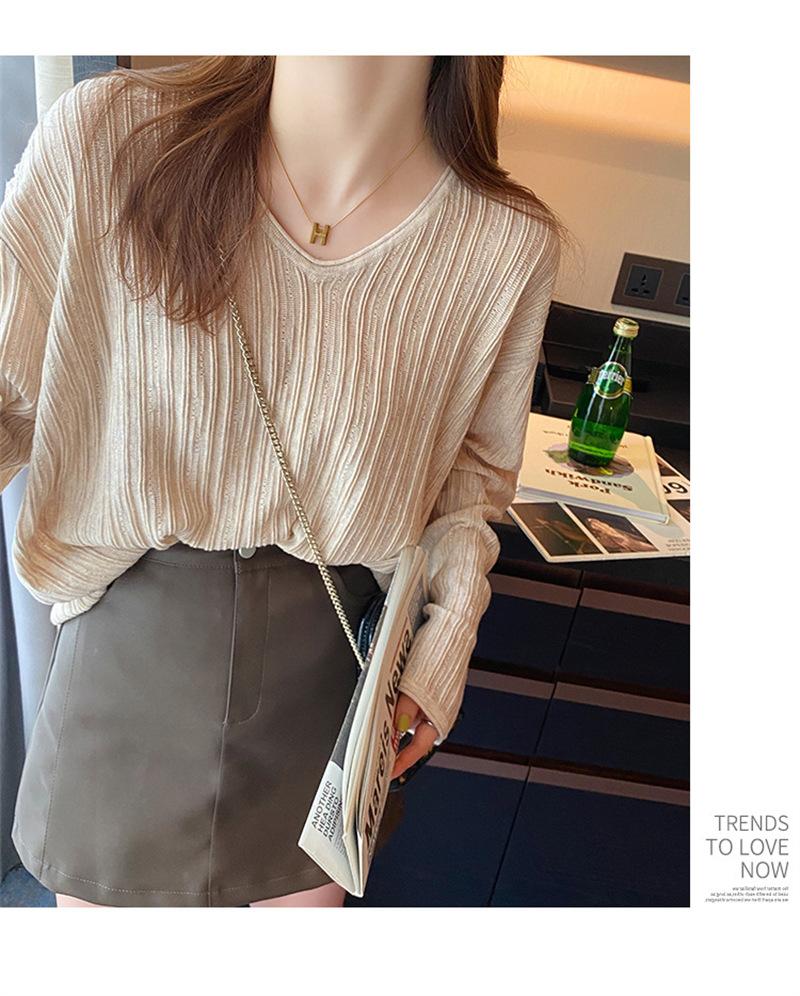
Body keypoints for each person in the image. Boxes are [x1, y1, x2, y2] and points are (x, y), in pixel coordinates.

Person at [0, 55, 567, 907]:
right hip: (128, 669)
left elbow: (469, 486)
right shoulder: (111, 140)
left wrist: (441, 646)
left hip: (329, 679)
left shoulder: (503, 245)